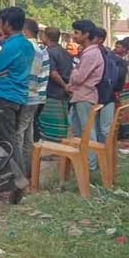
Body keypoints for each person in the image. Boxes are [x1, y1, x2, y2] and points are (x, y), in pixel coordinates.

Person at [0, 7, 34, 174]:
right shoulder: (27, 44)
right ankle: (15, 176)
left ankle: (15, 178)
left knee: (7, 140)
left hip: (5, 95)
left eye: (0, 22)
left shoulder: (10, 46)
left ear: (7, 24)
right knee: (12, 137)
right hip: (20, 95)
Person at [68, 20, 105, 168]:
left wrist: (73, 70)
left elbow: (79, 77)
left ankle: (90, 163)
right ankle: (82, 161)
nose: (73, 35)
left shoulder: (91, 54)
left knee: (86, 131)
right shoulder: (88, 52)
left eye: (76, 33)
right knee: (77, 129)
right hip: (81, 95)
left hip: (85, 95)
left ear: (86, 35)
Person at [18, 19, 49, 177]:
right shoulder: (42, 49)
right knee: (28, 135)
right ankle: (29, 171)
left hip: (26, 96)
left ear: (24, 32)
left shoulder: (27, 48)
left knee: (19, 134)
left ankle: (19, 172)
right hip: (36, 97)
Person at [39, 26, 73, 141]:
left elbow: (53, 73)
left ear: (47, 37)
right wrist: (66, 86)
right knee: (61, 122)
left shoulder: (49, 52)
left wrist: (64, 85)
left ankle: (51, 149)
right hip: (64, 93)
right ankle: (60, 148)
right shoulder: (66, 53)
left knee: (49, 123)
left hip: (52, 92)